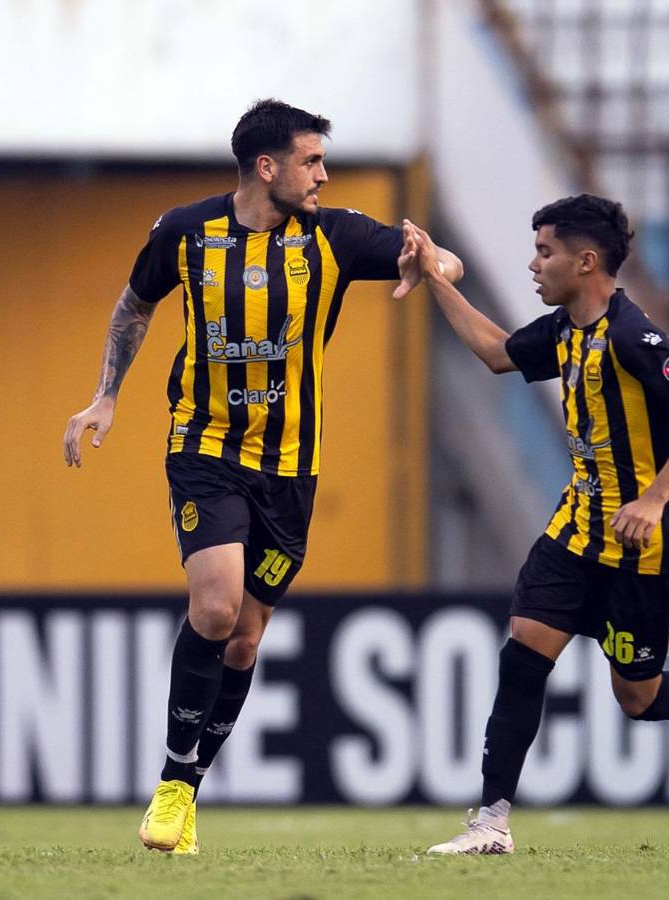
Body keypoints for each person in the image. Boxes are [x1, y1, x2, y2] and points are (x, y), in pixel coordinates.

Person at [62, 98, 462, 855]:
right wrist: (106, 396)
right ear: (267, 166)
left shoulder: (335, 235)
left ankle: (191, 788)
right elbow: (135, 305)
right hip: (206, 449)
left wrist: (433, 260)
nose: (324, 174)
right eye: (311, 161)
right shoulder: (185, 231)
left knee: (244, 639)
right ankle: (173, 788)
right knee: (214, 610)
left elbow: (442, 261)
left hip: (291, 471)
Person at [400, 194, 669, 855]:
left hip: (643, 549)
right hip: (576, 532)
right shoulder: (564, 330)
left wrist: (655, 499)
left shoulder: (635, 337)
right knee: (522, 655)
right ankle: (491, 822)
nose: (532, 264)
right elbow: (495, 353)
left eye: (544, 252)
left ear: (584, 262)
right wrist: (435, 275)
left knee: (638, 696)